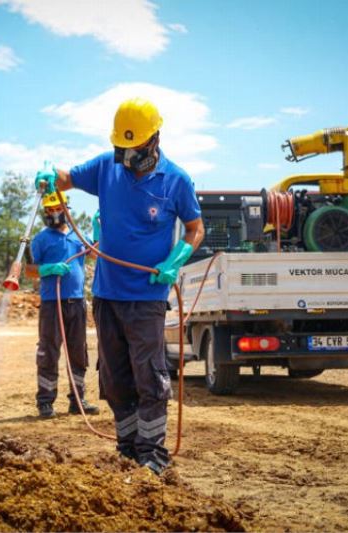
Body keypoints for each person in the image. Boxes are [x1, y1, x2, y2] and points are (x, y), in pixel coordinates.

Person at [34, 98, 205, 473]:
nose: (127, 156)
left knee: (150, 375)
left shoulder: (176, 180)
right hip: (107, 294)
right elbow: (66, 178)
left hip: (146, 295)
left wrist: (174, 261)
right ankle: (127, 448)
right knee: (113, 377)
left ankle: (152, 455)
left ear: (154, 140)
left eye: (135, 149)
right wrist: (49, 173)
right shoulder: (105, 167)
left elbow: (195, 229)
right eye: (121, 148)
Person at [26, 190, 100, 419]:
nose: (53, 213)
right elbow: (29, 270)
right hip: (52, 303)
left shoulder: (78, 235)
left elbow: (96, 253)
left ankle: (77, 400)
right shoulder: (41, 240)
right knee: (48, 352)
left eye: (57, 208)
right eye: (48, 210)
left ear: (66, 209)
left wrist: (98, 229)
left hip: (76, 303)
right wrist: (48, 268)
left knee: (78, 353)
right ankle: (45, 402)